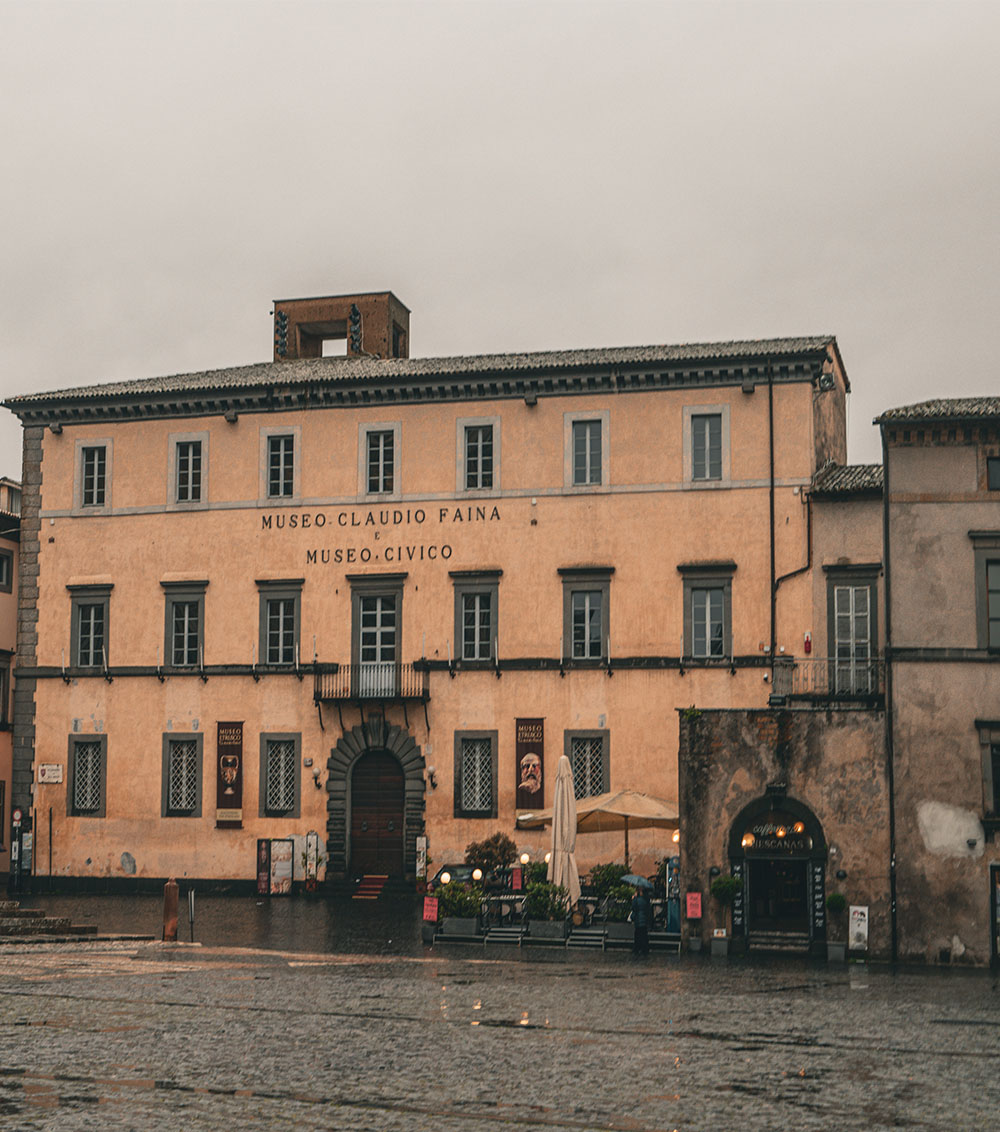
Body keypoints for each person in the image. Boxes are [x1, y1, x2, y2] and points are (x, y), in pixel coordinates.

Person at [631, 886, 651, 955]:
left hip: (638, 920)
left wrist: (634, 899)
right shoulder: (646, 899)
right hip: (644, 919)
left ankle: (637, 948)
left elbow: (634, 907)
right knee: (644, 935)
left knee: (637, 934)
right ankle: (644, 949)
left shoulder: (637, 899)